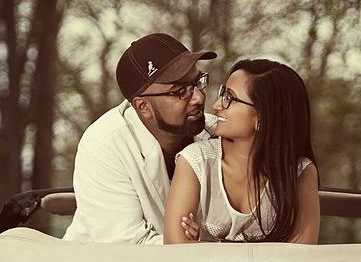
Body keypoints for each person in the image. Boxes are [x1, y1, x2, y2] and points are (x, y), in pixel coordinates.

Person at [64, 33, 216, 244]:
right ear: (143, 107)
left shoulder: (218, 132)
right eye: (181, 91)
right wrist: (202, 243)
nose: (199, 97)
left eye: (198, 82)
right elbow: (128, 247)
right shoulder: (104, 145)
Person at [164, 58, 320, 244]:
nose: (216, 105)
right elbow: (175, 249)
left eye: (229, 98)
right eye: (223, 94)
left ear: (262, 117)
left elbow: (299, 259)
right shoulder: (196, 161)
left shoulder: (300, 172)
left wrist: (205, 246)